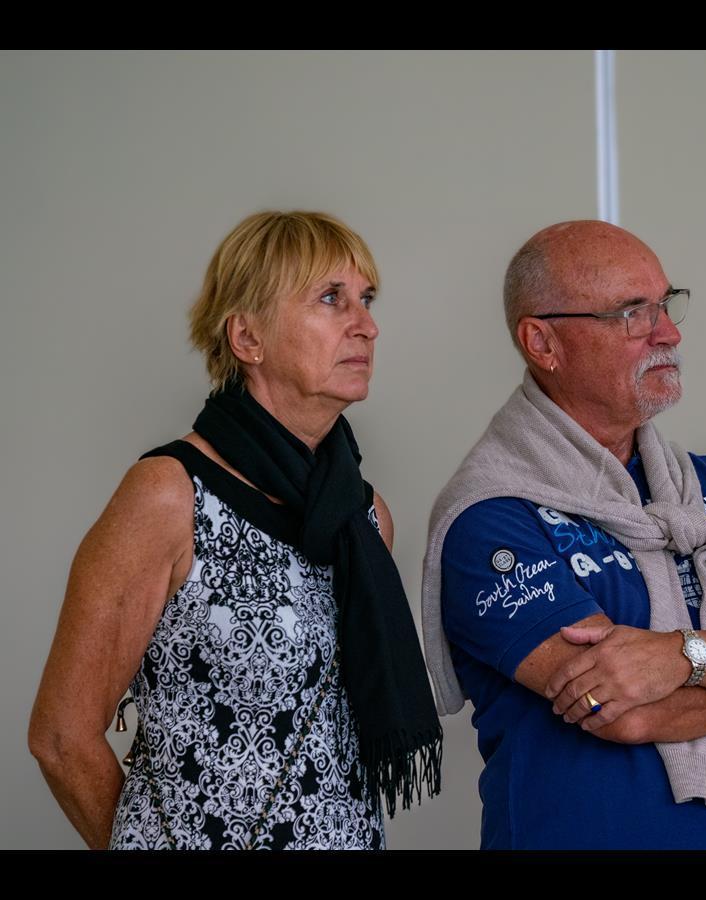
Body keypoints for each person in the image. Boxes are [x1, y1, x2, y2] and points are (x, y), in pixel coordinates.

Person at [421, 219, 706, 849]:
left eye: (665, 304)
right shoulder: (491, 516)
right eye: (632, 313)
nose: (669, 333)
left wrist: (680, 656)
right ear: (543, 342)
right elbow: (624, 713)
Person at [29, 211, 441, 850]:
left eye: (366, 299)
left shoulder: (365, 518)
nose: (366, 324)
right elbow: (61, 737)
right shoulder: (169, 495)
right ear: (247, 336)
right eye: (330, 299)